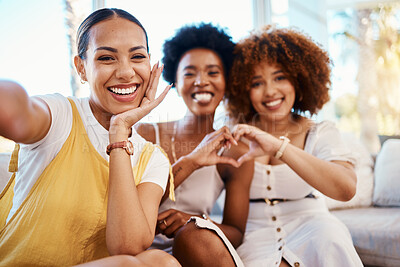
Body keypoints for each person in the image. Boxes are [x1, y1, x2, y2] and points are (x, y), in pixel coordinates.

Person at [0, 8, 180, 267]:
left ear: (150, 64)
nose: (126, 72)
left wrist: (118, 131)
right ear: (81, 68)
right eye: (107, 58)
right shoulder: (61, 115)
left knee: (161, 262)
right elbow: (14, 109)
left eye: (137, 56)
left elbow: (126, 245)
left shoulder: (153, 158)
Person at [225, 25, 363, 267]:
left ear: (299, 80)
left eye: (280, 77)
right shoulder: (233, 133)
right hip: (253, 235)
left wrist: (279, 147)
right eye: (257, 83)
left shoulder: (320, 132)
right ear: (243, 89)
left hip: (315, 226)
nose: (270, 91)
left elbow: (346, 189)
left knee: (331, 241)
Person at [135, 23, 254, 267]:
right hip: (141, 252)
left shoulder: (235, 152)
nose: (201, 81)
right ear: (175, 84)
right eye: (189, 73)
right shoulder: (145, 134)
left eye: (213, 72)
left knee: (193, 234)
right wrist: (193, 161)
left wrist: (194, 220)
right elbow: (127, 207)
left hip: (200, 252)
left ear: (226, 83)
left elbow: (236, 232)